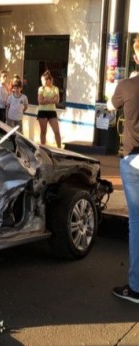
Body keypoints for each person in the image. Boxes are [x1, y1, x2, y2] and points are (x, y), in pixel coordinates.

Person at [107, 36, 139, 304]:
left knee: (137, 223)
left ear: (136, 57)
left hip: (134, 160)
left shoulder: (127, 85)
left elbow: (109, 107)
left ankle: (136, 287)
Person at [37, 70, 61, 148]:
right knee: (43, 131)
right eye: (41, 80)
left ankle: (60, 149)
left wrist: (46, 100)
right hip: (42, 112)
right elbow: (40, 101)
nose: (42, 82)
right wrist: (51, 100)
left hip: (52, 112)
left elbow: (57, 101)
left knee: (57, 132)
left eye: (43, 80)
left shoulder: (55, 89)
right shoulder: (41, 89)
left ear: (48, 80)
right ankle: (43, 148)